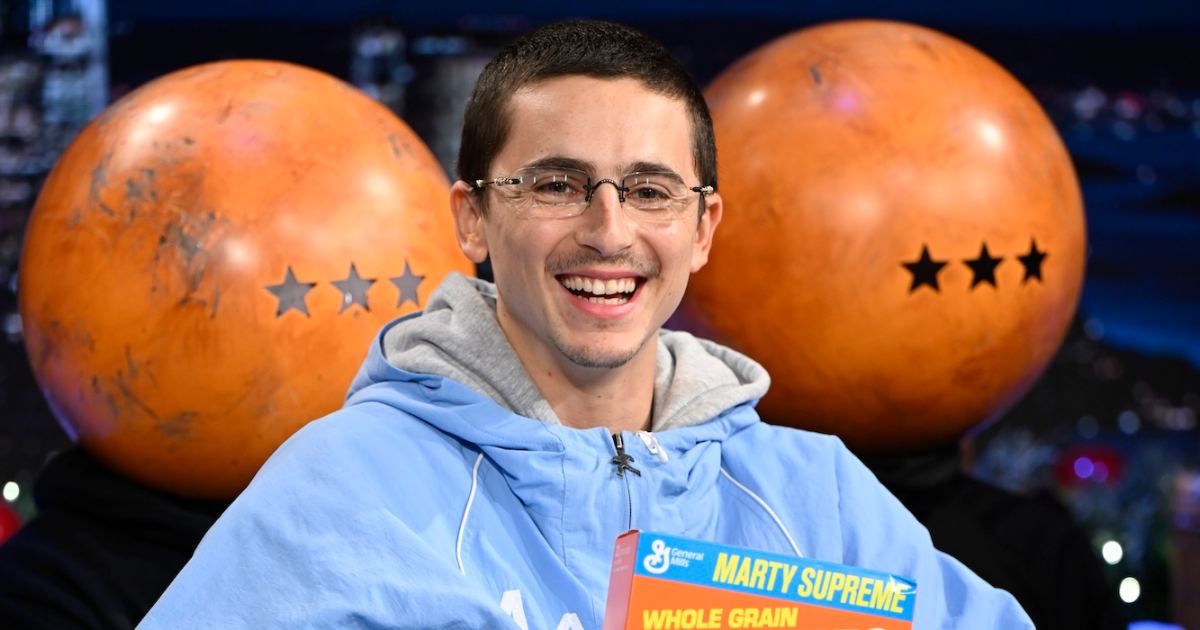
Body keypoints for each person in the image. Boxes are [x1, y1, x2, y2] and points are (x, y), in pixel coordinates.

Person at [141, 20, 1033, 628]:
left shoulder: (817, 496)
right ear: (473, 220)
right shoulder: (342, 488)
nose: (609, 232)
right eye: (557, 185)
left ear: (702, 229)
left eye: (649, 190)